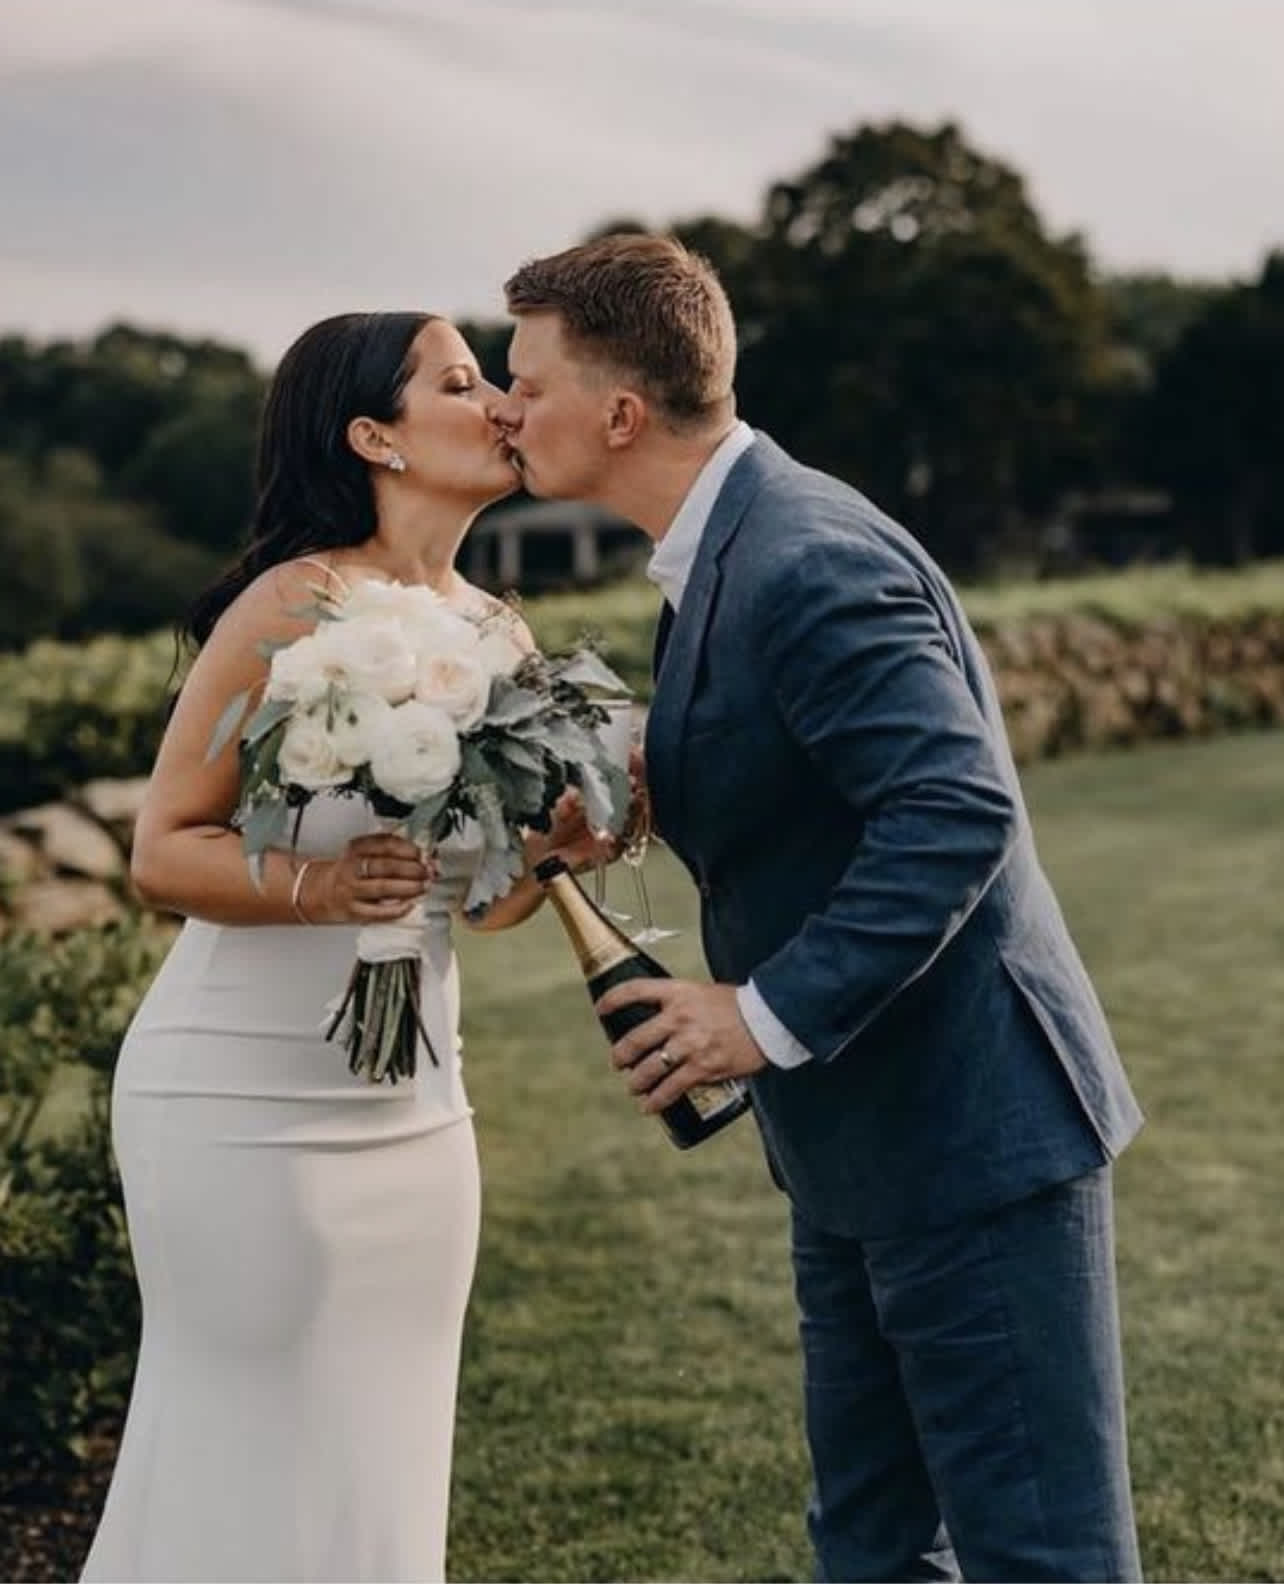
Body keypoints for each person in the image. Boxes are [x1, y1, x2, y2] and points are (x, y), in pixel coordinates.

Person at [492, 234, 1145, 1582]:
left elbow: (951, 811)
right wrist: (638, 797)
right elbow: (803, 768)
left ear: (622, 413)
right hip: (855, 1141)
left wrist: (760, 1015)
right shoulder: (721, 549)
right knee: (872, 1549)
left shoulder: (803, 558)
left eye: (527, 382)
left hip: (968, 1141)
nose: (506, 410)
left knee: (1042, 1557)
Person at [81, 311, 601, 1584]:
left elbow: (474, 906)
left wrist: (556, 854)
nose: (500, 403)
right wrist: (320, 887)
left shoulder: (502, 637)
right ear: (375, 436)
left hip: (416, 1110)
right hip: (239, 1101)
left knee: (384, 1451)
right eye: (462, 382)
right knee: (245, 1458)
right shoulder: (293, 602)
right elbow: (163, 850)